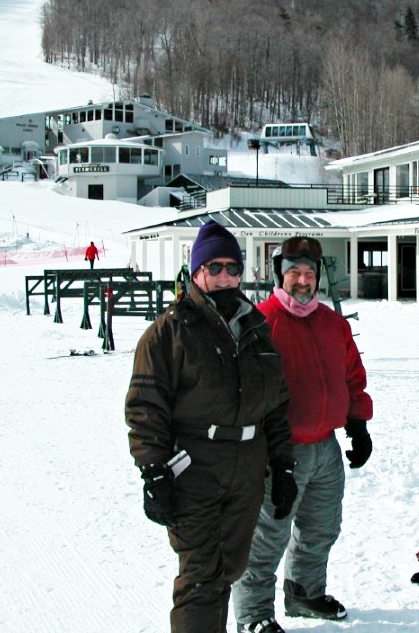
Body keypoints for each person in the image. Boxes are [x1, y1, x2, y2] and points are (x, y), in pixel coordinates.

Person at [125, 220, 296, 633]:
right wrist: (154, 471)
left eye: (231, 268)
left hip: (247, 468)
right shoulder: (169, 331)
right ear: (196, 272)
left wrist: (283, 465)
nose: (224, 277)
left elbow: (274, 403)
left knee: (229, 567)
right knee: (201, 574)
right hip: (195, 467)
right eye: (213, 267)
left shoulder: (255, 327)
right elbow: (146, 405)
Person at [233, 236, 373, 633]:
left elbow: (352, 377)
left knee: (322, 528)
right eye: (294, 272)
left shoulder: (332, 323)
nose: (302, 280)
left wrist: (357, 423)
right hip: (280, 451)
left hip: (326, 448)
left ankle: (304, 593)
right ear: (281, 274)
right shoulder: (262, 321)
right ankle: (253, 615)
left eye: (309, 273)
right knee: (267, 538)